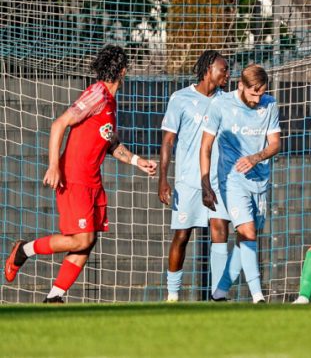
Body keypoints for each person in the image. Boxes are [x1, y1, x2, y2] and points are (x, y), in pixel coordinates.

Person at [4, 45, 158, 303]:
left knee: (88, 239)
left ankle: (55, 296)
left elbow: (110, 143)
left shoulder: (110, 102)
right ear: (122, 71)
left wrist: (137, 161)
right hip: (74, 177)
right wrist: (54, 166)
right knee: (81, 238)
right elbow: (59, 124)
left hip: (92, 180)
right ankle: (24, 250)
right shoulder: (97, 93)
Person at [200, 64, 281, 303]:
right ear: (240, 86)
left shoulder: (270, 104)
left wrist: (256, 158)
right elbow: (205, 146)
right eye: (253, 93)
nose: (257, 99)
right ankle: (258, 295)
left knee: (245, 239)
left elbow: (275, 144)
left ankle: (220, 291)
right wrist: (205, 183)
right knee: (247, 232)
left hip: (260, 180)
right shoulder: (220, 104)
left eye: (261, 93)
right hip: (232, 180)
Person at [158, 50, 230, 302]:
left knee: (220, 230)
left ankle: (219, 295)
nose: (227, 74)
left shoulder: (227, 101)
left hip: (218, 181)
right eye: (223, 69)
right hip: (188, 181)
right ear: (209, 69)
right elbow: (168, 141)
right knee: (182, 235)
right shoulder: (180, 98)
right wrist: (163, 178)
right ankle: (172, 295)